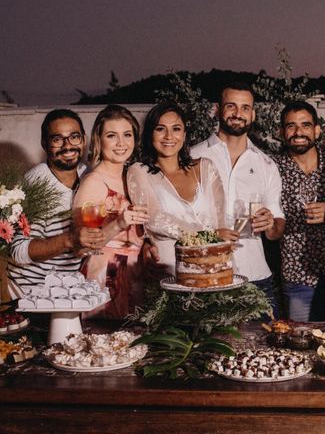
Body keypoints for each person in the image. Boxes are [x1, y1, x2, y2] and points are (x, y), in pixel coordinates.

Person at [191, 82, 284, 317]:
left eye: (245, 108)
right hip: (206, 276)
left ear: (252, 114)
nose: (238, 114)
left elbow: (277, 227)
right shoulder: (193, 157)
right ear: (217, 109)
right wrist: (211, 235)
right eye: (231, 106)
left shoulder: (266, 164)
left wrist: (271, 223)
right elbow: (179, 217)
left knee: (263, 349)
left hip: (255, 278)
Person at [8, 109, 101, 297]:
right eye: (57, 139)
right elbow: (18, 251)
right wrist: (70, 239)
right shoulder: (35, 183)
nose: (68, 146)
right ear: (45, 144)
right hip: (31, 295)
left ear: (83, 139)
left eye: (74, 137)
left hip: (68, 290)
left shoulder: (88, 175)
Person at [127, 101, 226, 278]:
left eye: (176, 129)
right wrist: (209, 238)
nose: (169, 136)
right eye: (160, 129)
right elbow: (154, 220)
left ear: (185, 134)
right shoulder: (139, 171)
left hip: (212, 270)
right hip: (169, 273)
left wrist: (217, 245)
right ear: (150, 134)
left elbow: (221, 222)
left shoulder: (206, 167)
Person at [73, 105, 149, 318]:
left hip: (136, 274)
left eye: (127, 134)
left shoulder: (132, 176)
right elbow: (80, 248)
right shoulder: (94, 182)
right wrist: (118, 224)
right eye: (111, 135)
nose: (121, 143)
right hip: (107, 276)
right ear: (99, 139)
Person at [273, 101, 325, 321]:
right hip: (296, 274)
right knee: (300, 341)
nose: (298, 132)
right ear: (282, 132)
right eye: (291, 126)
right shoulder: (272, 168)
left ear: (317, 130)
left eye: (305, 125)